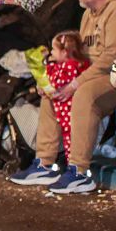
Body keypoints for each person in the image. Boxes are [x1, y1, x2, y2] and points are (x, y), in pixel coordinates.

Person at [9, 0, 116, 193]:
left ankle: (79, 171)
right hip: (89, 71)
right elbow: (82, 53)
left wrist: (75, 83)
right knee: (53, 90)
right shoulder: (88, 12)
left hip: (115, 76)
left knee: (83, 93)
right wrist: (55, 77)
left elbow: (111, 57)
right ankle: (45, 163)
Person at [43, 31, 91, 163]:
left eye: (53, 49)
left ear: (64, 53)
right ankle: (71, 161)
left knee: (70, 138)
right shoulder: (70, 65)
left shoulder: (70, 66)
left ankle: (73, 163)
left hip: (69, 112)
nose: (51, 52)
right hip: (66, 111)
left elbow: (55, 83)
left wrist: (48, 67)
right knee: (69, 137)